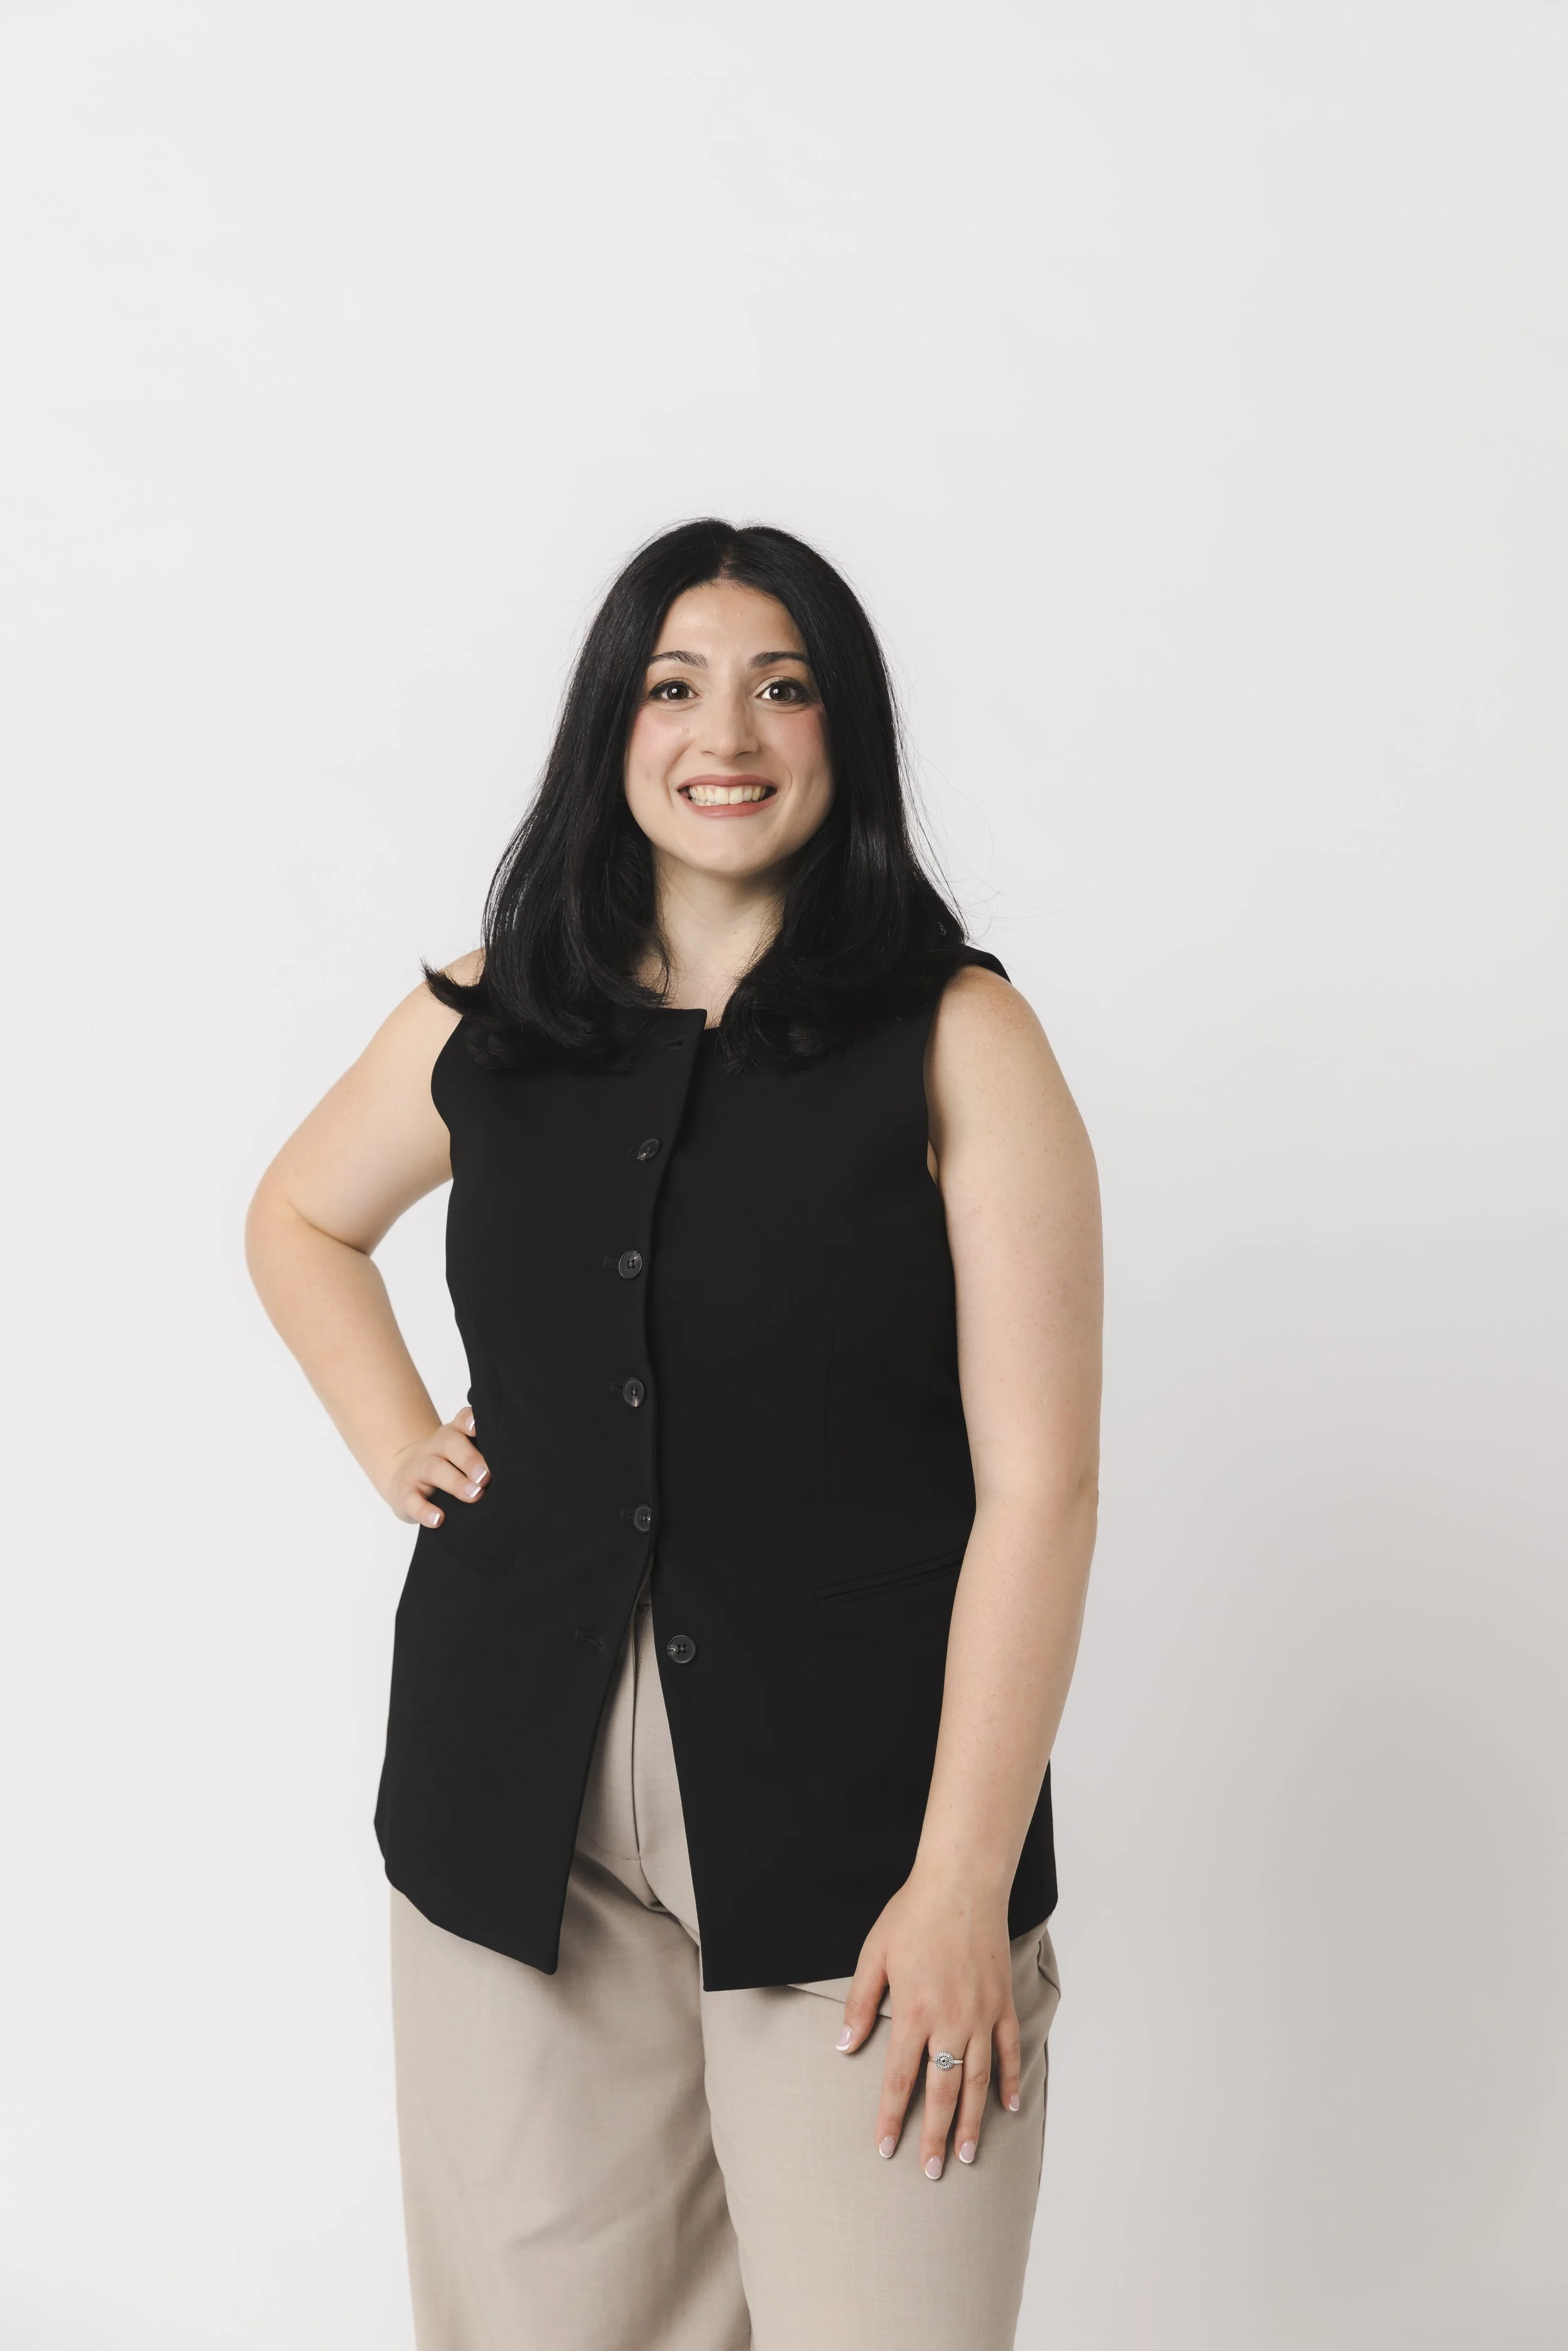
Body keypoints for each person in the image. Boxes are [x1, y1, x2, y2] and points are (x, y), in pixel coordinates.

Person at [245, 518, 1102, 2351]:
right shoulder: (497, 1015)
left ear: (842, 732)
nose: (728, 730)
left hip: (866, 1827)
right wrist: (397, 1433)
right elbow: (299, 1216)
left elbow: (1042, 1487)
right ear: (611, 729)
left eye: (782, 685)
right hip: (512, 1802)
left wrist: (962, 1879)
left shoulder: (959, 1037)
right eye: (675, 684)